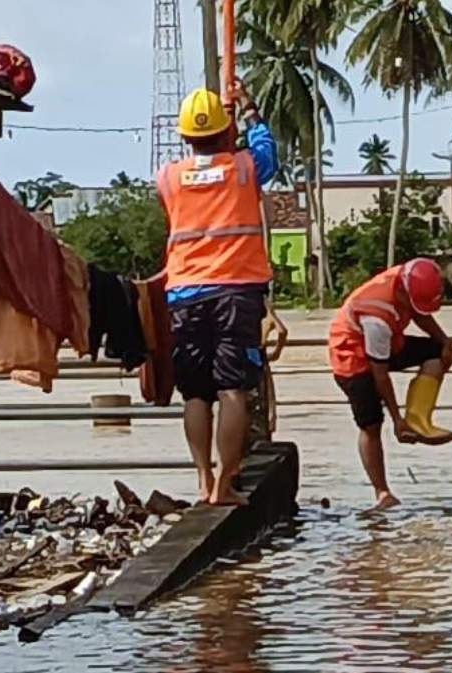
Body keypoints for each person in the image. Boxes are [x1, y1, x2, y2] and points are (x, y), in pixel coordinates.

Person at [156, 84, 277, 506]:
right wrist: (248, 108)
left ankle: (204, 479)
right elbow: (268, 152)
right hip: (236, 293)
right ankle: (225, 486)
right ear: (226, 131)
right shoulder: (245, 168)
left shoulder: (169, 177)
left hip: (184, 294)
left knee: (195, 395)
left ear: (185, 136)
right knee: (233, 391)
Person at [329, 258, 452, 509]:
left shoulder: (408, 276)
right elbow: (380, 374)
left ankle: (419, 420)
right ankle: (382, 492)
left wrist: (445, 342)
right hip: (353, 356)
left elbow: (420, 313)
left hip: (390, 339)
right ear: (402, 292)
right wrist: (397, 419)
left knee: (436, 353)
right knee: (371, 424)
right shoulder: (376, 316)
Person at [262, 298, 289, 435]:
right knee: (266, 411)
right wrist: (276, 352)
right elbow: (281, 330)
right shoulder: (259, 301)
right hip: (258, 358)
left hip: (232, 357)